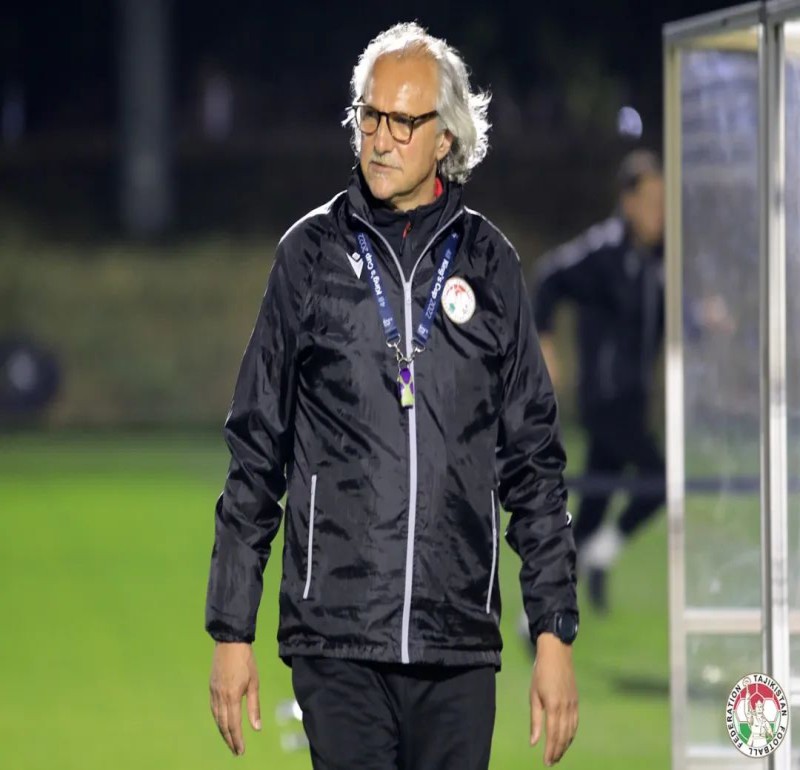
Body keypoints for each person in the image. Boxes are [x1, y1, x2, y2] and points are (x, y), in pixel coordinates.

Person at [205, 22, 579, 770]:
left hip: (458, 641)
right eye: (369, 116)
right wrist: (231, 629)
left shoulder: (490, 264)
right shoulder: (308, 256)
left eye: (402, 122)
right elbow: (256, 449)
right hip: (337, 639)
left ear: (445, 138)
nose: (379, 139)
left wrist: (553, 635)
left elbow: (533, 463)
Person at [530, 150, 666, 613]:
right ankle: (600, 557)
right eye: (650, 202)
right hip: (606, 402)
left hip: (633, 401)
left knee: (590, 514)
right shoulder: (604, 252)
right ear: (628, 202)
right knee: (659, 481)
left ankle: (537, 615)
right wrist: (547, 346)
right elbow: (548, 278)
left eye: (663, 202)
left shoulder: (657, 259)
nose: (659, 213)